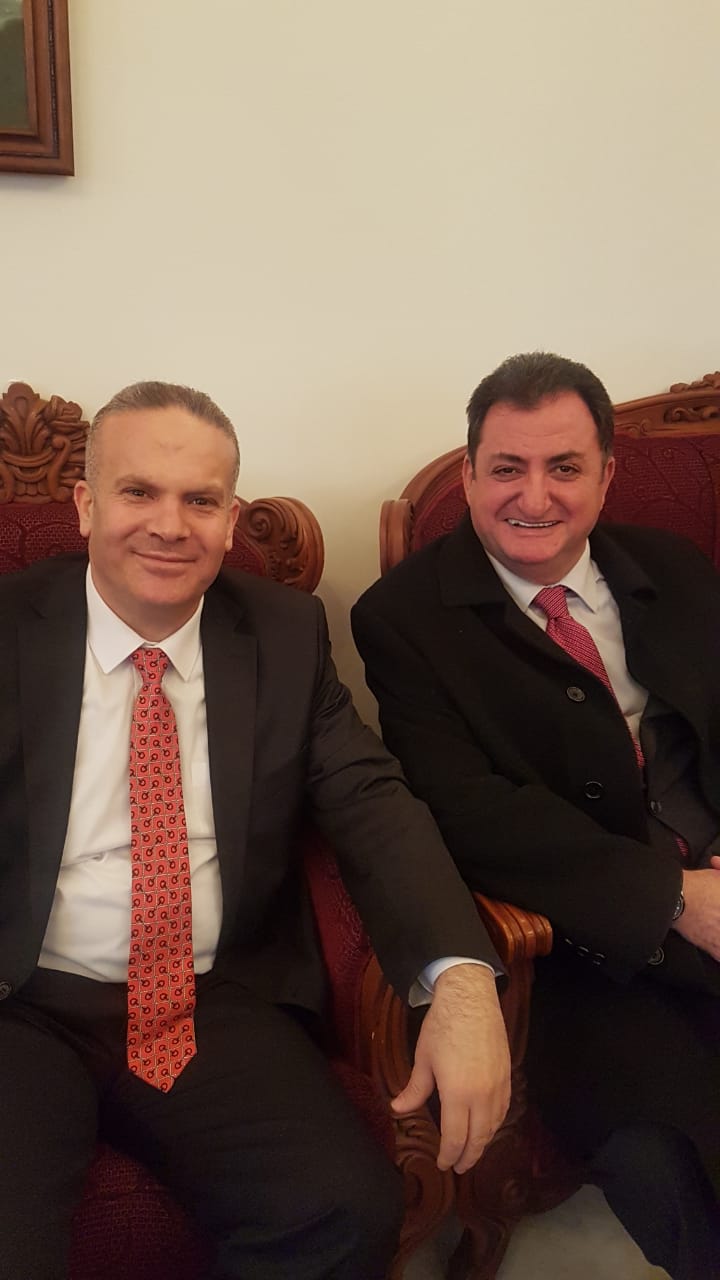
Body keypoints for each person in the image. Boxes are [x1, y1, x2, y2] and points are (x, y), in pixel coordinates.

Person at [0, 380, 511, 1280]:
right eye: (138, 492)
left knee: (342, 1209)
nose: (169, 526)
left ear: (231, 521)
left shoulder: (284, 633)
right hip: (23, 999)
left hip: (208, 995)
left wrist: (463, 983)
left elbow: (370, 799)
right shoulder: (11, 627)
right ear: (84, 504)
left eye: (200, 501)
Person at [352, 351, 720, 1280]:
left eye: (564, 468)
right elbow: (467, 810)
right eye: (507, 468)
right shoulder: (402, 618)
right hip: (584, 952)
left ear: (607, 475)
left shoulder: (674, 569)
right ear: (471, 472)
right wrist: (677, 898)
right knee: (673, 1162)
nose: (534, 497)